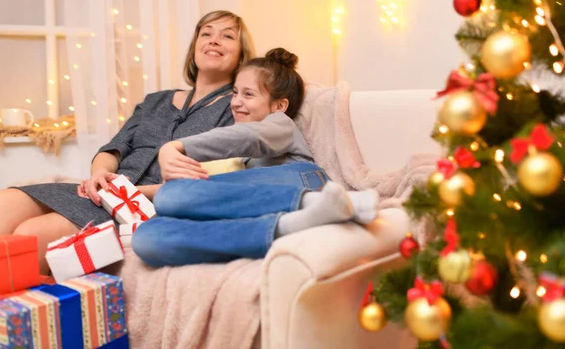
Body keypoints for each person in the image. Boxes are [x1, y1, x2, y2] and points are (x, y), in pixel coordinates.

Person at [0, 10, 256, 273]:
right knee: (4, 200)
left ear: (242, 55)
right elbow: (114, 148)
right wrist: (100, 175)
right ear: (195, 46)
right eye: (206, 33)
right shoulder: (156, 100)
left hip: (149, 207)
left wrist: (125, 193)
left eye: (227, 36)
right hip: (103, 192)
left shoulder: (236, 110)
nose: (214, 40)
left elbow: (214, 182)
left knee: (31, 234)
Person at [132, 48, 379, 267]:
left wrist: (176, 146)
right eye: (235, 93)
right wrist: (129, 192)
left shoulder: (280, 124)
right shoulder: (246, 165)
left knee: (171, 195)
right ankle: (291, 225)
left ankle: (319, 203)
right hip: (267, 205)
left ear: (279, 106)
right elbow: (205, 187)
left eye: (248, 95)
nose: (236, 102)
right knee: (147, 237)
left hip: (303, 181)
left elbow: (246, 137)